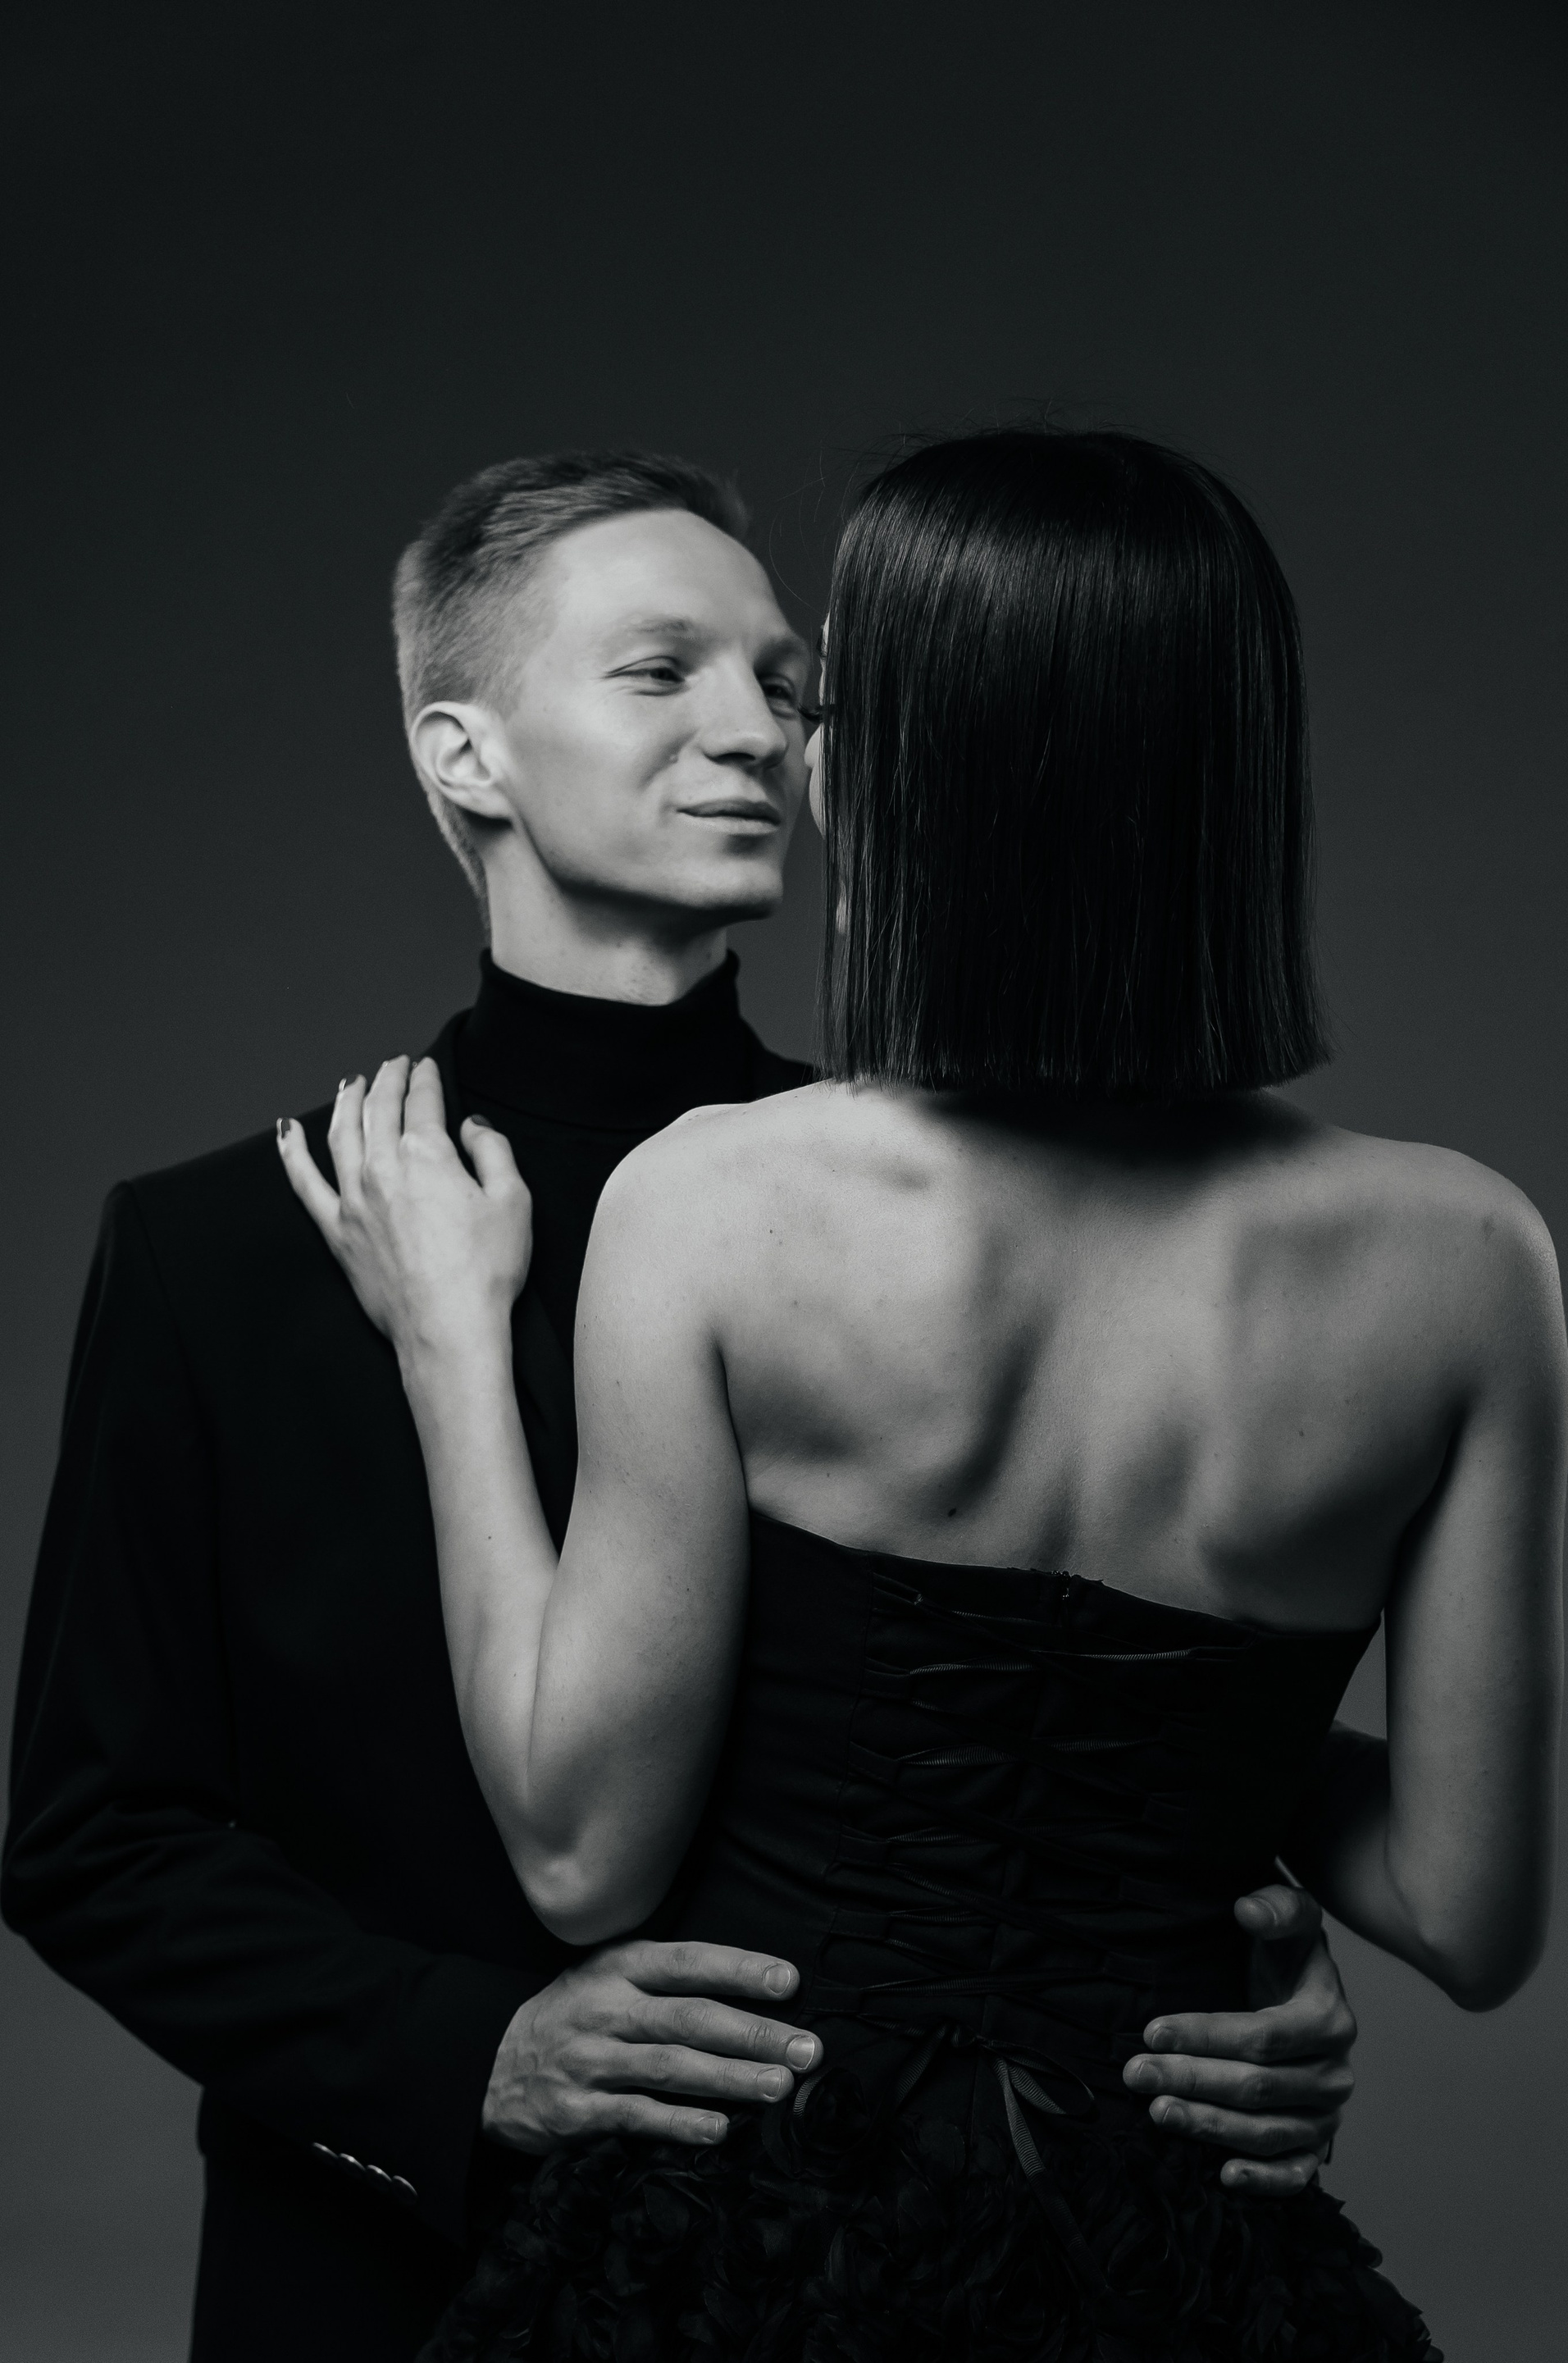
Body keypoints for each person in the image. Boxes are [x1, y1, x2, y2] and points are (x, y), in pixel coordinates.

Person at [6, 449, 1361, 2363]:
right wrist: (464, 2054)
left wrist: (1228, 1951)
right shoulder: (217, 1249)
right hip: (376, 2279)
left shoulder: (965, 1213)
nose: (758, 730)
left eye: (787, 683)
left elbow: (1063, 1675)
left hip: (855, 2285)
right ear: (466, 754)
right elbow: (94, 1833)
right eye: (663, 671)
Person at [282, 428, 1566, 2362]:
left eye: (834, 708)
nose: (797, 750)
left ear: (912, 776)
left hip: (750, 2238)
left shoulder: (715, 1204)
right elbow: (1467, 1909)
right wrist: (1199, 1737)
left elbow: (582, 1850)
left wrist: (453, 1347)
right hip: (1169, 2240)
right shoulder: (1469, 1261)